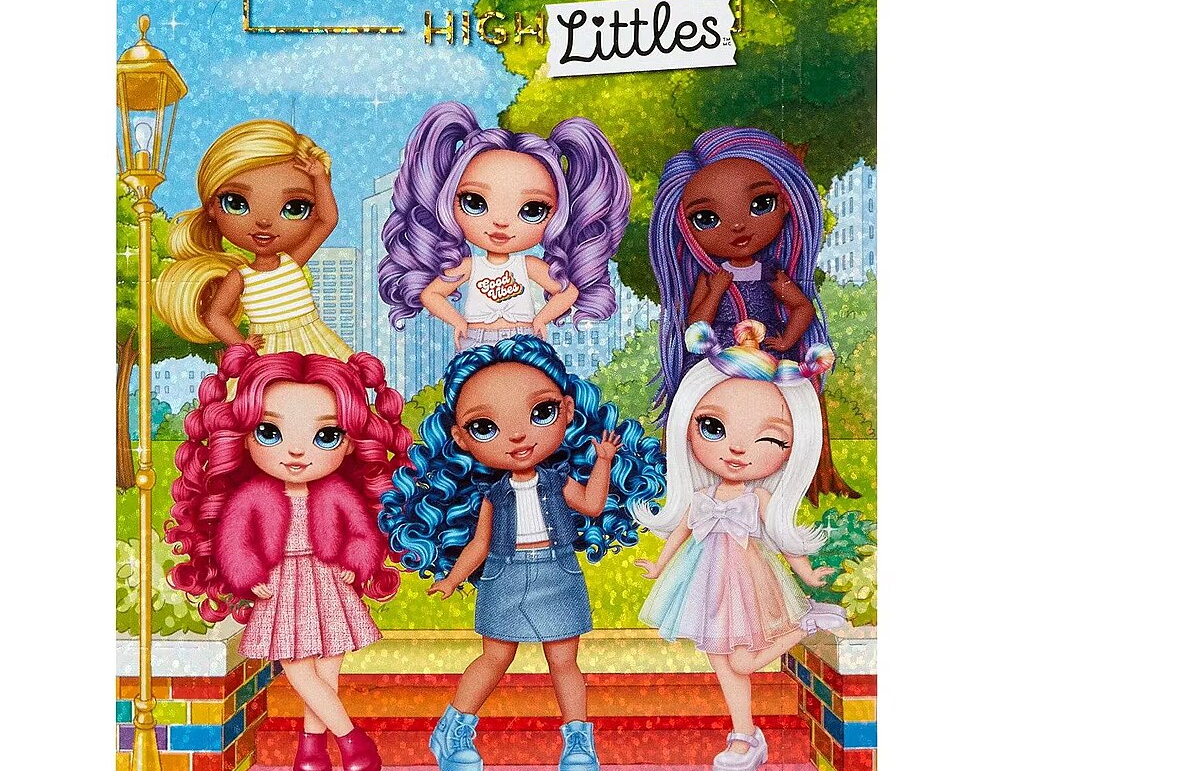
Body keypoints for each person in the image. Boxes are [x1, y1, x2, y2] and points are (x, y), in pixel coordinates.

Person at [380, 336, 664, 771]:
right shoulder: (492, 494)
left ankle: (577, 740)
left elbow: (592, 506)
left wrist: (604, 461)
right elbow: (479, 545)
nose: (516, 436)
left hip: (558, 571)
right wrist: (453, 578)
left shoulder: (558, 481)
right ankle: (453, 728)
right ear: (460, 438)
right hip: (505, 575)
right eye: (485, 426)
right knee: (495, 657)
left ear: (567, 411)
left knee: (564, 660)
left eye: (541, 412)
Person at [166, 346, 411, 771]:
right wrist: (247, 575)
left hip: (328, 580)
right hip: (279, 585)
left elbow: (361, 533)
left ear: (350, 442)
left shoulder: (338, 492)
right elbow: (235, 541)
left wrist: (356, 563)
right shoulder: (252, 496)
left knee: (327, 668)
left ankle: (310, 750)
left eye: (326, 436)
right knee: (297, 667)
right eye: (269, 432)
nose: (296, 451)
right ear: (244, 436)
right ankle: (352, 740)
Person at [635, 321, 846, 771]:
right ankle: (744, 734)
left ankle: (807, 621)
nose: (735, 449)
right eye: (712, 427)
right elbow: (681, 533)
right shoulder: (703, 495)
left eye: (769, 439)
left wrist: (808, 574)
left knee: (744, 659)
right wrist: (658, 565)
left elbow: (783, 539)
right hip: (703, 584)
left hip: (748, 583)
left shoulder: (760, 497)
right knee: (722, 661)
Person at [648, 127, 857, 499]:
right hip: (717, 358)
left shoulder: (772, 273)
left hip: (765, 356)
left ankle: (767, 488)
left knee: (767, 421)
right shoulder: (709, 276)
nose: (737, 226)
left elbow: (802, 307)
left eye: (761, 204)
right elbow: (695, 325)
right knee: (719, 421)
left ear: (787, 204)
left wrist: (787, 340)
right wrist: (716, 290)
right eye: (706, 218)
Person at [378, 101, 630, 350]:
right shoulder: (469, 266)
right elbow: (431, 294)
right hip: (475, 338)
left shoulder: (528, 265)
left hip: (523, 337)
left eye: (532, 210)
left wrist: (541, 318)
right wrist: (457, 321)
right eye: (474, 203)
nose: (501, 222)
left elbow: (568, 292)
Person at [154, 119, 353, 358]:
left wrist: (320, 178)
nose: (264, 222)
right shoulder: (241, 277)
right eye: (236, 203)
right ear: (212, 207)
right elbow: (214, 316)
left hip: (313, 340)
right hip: (266, 348)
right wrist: (242, 347)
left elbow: (328, 220)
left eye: (294, 208)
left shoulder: (291, 262)